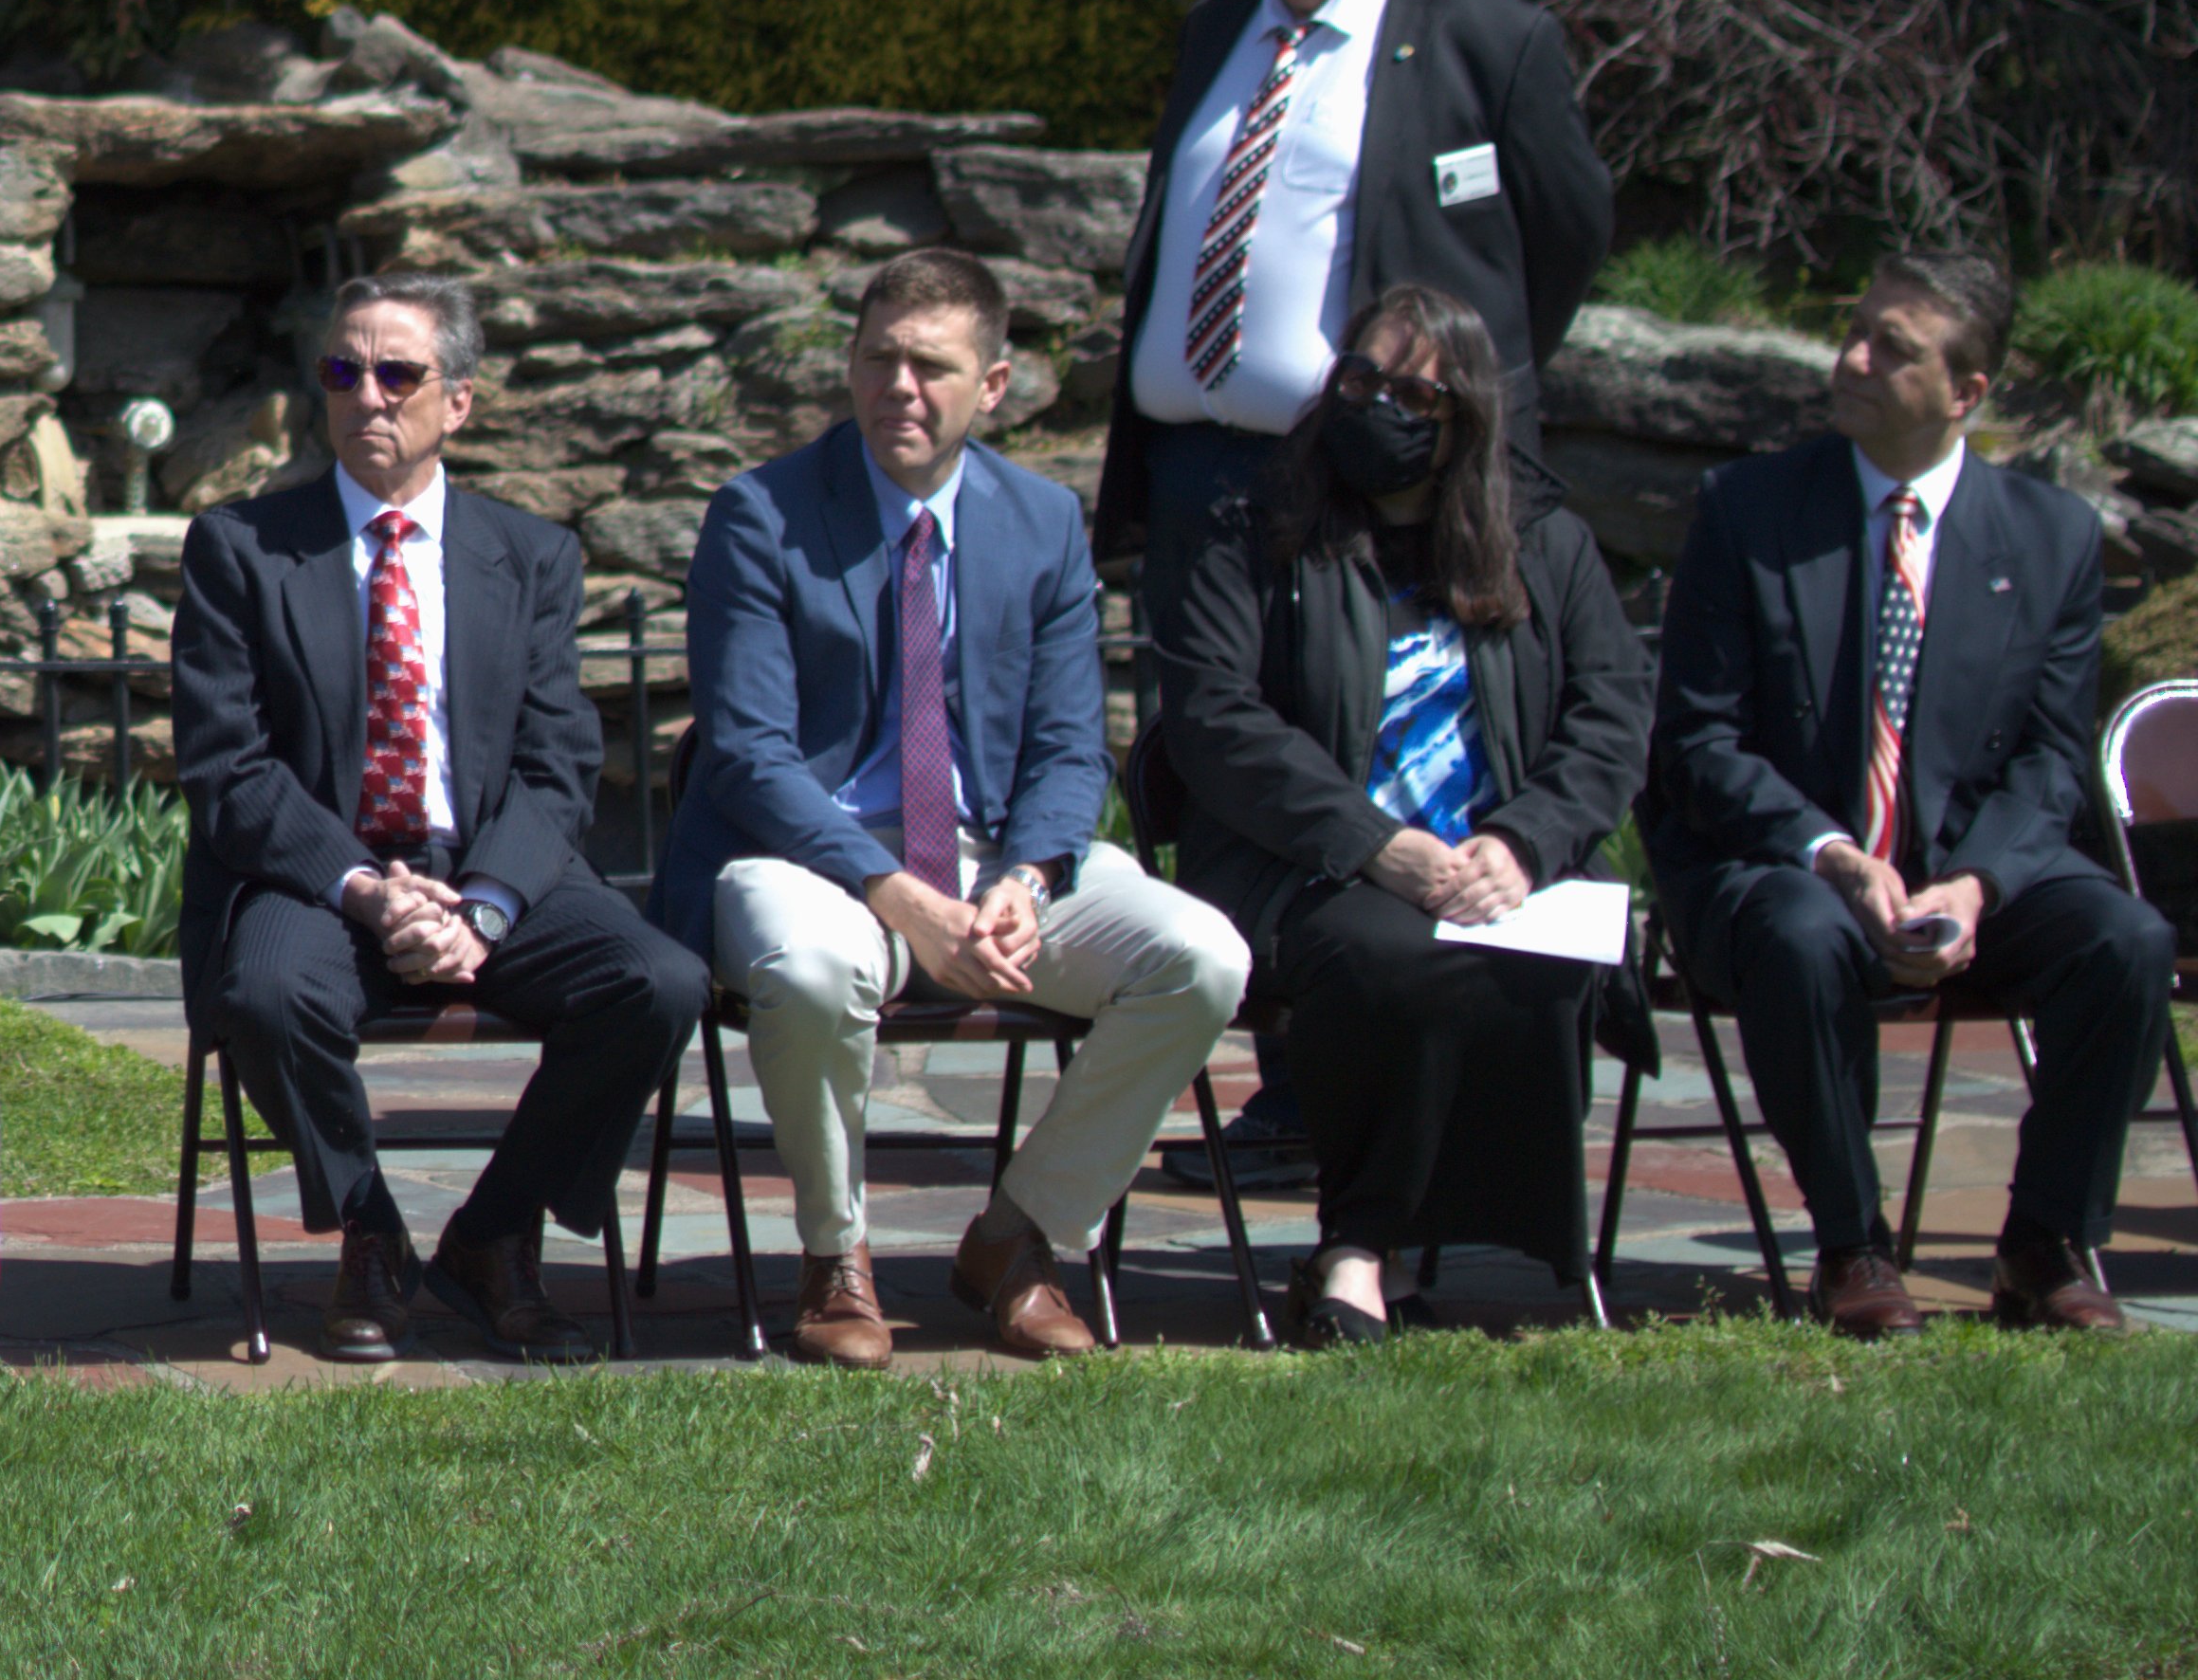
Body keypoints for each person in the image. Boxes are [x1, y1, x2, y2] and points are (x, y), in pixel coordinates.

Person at [658, 249, 1248, 1368]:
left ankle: (1017, 1238)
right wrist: (901, 898)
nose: (898, 389)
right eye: (877, 358)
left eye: (931, 366)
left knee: (1201, 955)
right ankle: (837, 1259)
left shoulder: (1041, 523)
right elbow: (746, 755)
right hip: (807, 855)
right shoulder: (761, 515)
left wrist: (1025, 880)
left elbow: (1073, 746)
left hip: (989, 858)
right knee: (815, 965)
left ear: (996, 385)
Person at [174, 275, 700, 1366]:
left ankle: (496, 1234)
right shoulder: (242, 547)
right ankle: (370, 1230)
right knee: (265, 994)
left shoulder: (532, 556)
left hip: (483, 870)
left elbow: (559, 764)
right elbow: (229, 766)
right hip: (316, 875)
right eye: (342, 371)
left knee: (657, 984)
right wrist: (364, 888)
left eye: (396, 374)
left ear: (455, 401)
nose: (366, 396)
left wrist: (487, 909)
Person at [1648, 249, 2167, 1338]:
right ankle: (1853, 1247)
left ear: (1967, 393)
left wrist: (1976, 885)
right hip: (1778, 867)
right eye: (1857, 329)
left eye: (1892, 348)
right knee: (1801, 933)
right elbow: (1698, 740)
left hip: (1968, 870)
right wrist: (1833, 853)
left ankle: (2042, 1246)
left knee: (2123, 939)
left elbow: (2048, 759)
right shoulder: (1748, 509)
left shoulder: (2051, 536)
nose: (1853, 358)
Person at [1138, 281, 1651, 1342]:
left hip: (1501, 864)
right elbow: (1215, 720)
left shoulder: (1543, 542)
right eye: (1362, 378)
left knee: (1517, 955)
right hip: (1306, 864)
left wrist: (1524, 841)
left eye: (1414, 396)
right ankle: (1359, 1248)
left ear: (1464, 423)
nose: (1377, 406)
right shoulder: (1253, 529)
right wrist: (1375, 845)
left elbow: (1610, 716)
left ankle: (1439, 1242)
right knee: (1389, 953)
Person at [1098, 0, 1615, 563]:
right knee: (1198, 692)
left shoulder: (1484, 35)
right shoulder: (1220, 23)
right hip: (1189, 481)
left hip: (1362, 491)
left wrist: (1463, 379)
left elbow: (1569, 235)